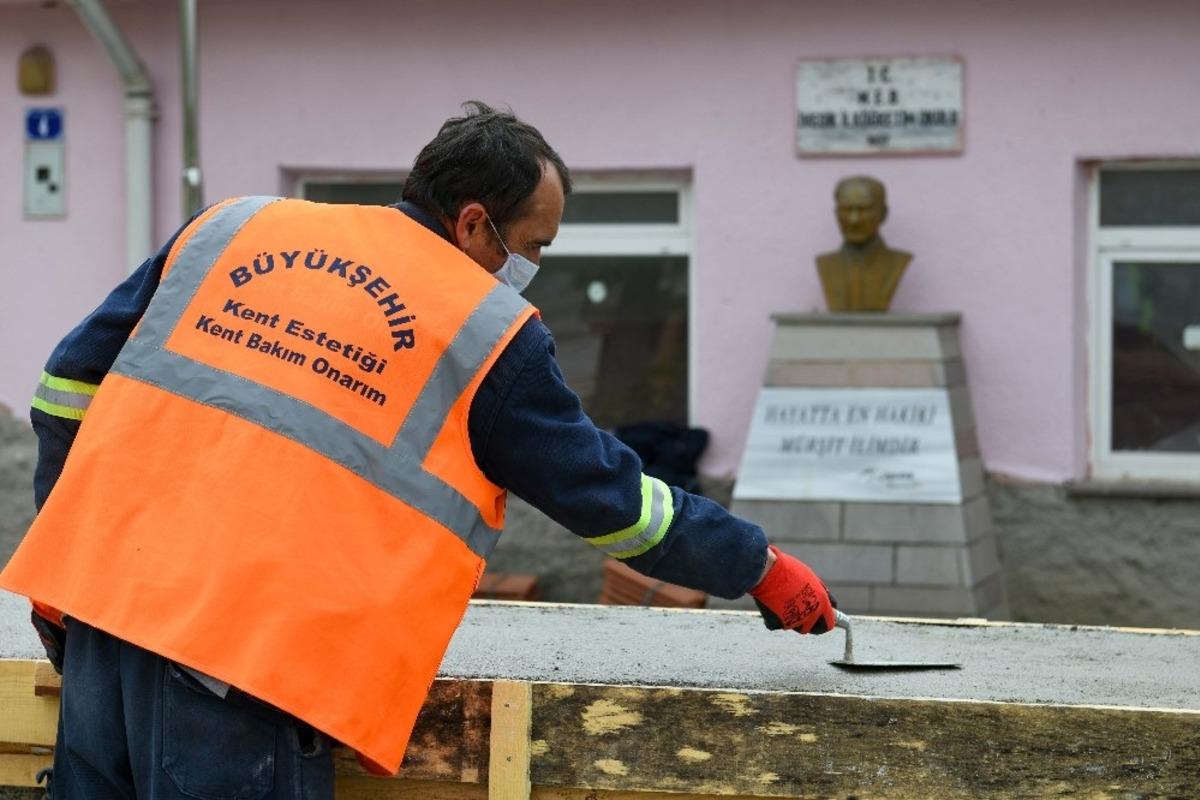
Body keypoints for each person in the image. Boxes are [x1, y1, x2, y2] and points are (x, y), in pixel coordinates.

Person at [0, 102, 836, 800]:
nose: (533, 266)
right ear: (476, 223)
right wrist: (757, 564)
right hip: (244, 674)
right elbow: (615, 501)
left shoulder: (235, 229)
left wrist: (66, 564)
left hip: (107, 630)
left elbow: (66, 391)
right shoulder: (485, 332)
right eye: (535, 246)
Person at [815, 175, 912, 311]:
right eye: (846, 210)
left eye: (864, 210)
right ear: (836, 214)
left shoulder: (898, 263)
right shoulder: (825, 264)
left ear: (883, 214)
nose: (854, 220)